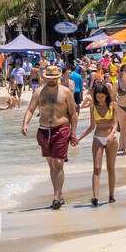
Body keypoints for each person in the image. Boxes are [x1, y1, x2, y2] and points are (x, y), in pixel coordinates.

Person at [21, 65, 79, 210]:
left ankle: (55, 197)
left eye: (54, 78)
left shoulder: (66, 92)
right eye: (49, 78)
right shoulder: (39, 92)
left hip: (61, 129)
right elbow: (30, 109)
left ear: (58, 77)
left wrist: (73, 132)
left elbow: (73, 113)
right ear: (45, 77)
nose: (52, 80)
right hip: (44, 130)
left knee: (58, 163)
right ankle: (59, 195)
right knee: (52, 165)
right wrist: (25, 124)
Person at [77, 82, 118, 206]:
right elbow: (91, 126)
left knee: (110, 168)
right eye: (97, 97)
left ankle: (111, 196)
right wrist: (80, 137)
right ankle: (95, 197)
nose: (99, 99)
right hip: (97, 138)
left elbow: (116, 123)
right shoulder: (93, 107)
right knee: (97, 168)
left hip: (111, 138)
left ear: (106, 95)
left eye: (102, 96)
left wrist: (111, 135)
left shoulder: (113, 105)